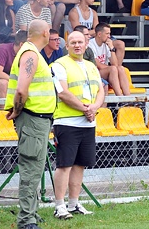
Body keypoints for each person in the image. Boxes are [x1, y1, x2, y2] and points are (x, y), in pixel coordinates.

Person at [5, 19, 56, 229]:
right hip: (32, 119)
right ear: (45, 32)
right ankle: (26, 220)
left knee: (34, 169)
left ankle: (31, 214)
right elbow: (21, 90)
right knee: (31, 170)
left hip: (37, 120)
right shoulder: (31, 54)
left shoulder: (30, 52)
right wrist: (18, 110)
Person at [50, 29, 103, 219]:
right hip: (67, 122)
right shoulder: (58, 65)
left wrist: (94, 108)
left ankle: (73, 203)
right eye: (73, 42)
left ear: (86, 44)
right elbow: (62, 93)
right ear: (67, 46)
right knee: (64, 165)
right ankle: (59, 206)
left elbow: (100, 91)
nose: (77, 45)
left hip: (88, 123)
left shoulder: (91, 66)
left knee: (80, 164)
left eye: (80, 42)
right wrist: (85, 109)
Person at [87, 23, 130, 96]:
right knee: (113, 69)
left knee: (121, 68)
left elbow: (115, 64)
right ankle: (120, 98)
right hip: (94, 73)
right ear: (99, 34)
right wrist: (114, 68)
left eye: (109, 34)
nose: (109, 36)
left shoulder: (106, 43)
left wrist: (112, 48)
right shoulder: (90, 45)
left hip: (106, 73)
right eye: (107, 34)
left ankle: (128, 98)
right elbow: (99, 65)